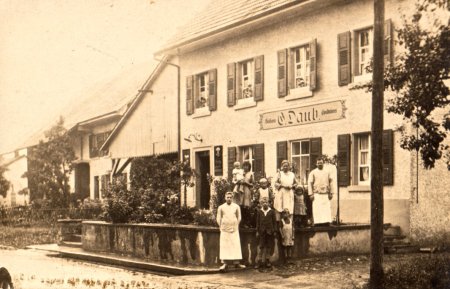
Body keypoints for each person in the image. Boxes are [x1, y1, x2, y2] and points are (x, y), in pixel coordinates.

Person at [216, 191, 246, 271]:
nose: (229, 199)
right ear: (225, 198)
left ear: (232, 198)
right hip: (224, 229)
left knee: (235, 245)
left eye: (230, 197)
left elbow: (239, 217)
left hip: (234, 229)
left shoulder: (236, 206)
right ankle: (225, 263)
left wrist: (236, 225)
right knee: (224, 245)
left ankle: (237, 263)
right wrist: (221, 226)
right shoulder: (221, 207)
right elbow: (218, 218)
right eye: (227, 197)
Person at [307, 157, 334, 225]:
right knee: (317, 209)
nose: (320, 164)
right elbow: (310, 183)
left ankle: (327, 222)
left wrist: (331, 192)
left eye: (321, 163)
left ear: (323, 163)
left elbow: (331, 182)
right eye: (318, 163)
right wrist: (311, 194)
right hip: (317, 194)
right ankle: (317, 222)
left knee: (326, 208)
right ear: (316, 164)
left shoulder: (327, 172)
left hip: (325, 193)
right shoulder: (313, 172)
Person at [254, 197, 277, 270]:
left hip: (270, 232)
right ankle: (259, 261)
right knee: (261, 246)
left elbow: (274, 222)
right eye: (263, 203)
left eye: (266, 202)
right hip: (262, 232)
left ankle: (267, 261)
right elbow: (257, 222)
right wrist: (257, 231)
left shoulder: (272, 212)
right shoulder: (259, 212)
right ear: (261, 204)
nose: (265, 204)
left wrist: (274, 231)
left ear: (269, 203)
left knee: (268, 247)